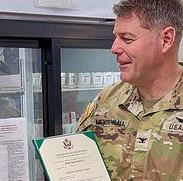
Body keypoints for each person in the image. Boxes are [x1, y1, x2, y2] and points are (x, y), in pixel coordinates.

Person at [77, 0, 183, 180]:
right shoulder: (106, 101)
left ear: (166, 40)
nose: (114, 48)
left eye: (127, 38)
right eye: (116, 37)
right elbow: (76, 162)